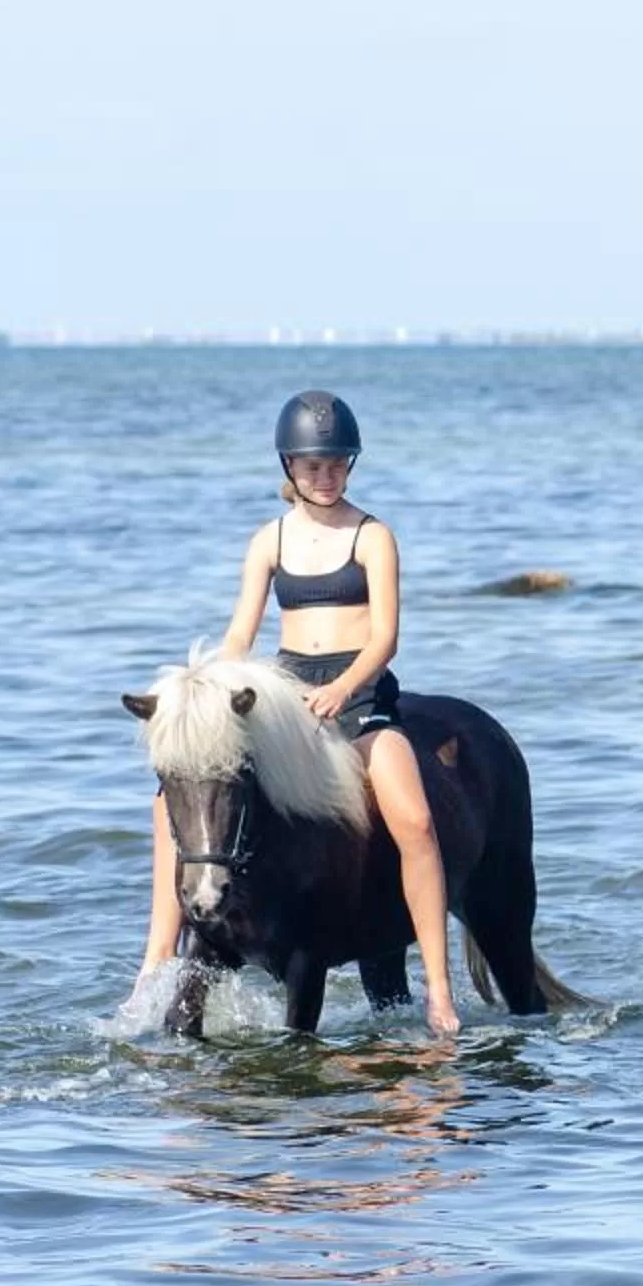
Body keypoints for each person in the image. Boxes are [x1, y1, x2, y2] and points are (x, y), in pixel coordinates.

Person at [136, 391, 458, 1031]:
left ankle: (440, 991)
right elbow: (240, 634)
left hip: (360, 699)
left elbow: (385, 637)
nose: (326, 476)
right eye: (313, 466)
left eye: (337, 464)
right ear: (289, 466)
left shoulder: (372, 536)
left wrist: (344, 687)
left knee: (415, 818)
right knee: (170, 798)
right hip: (286, 700)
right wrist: (212, 691)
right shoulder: (269, 540)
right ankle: (155, 959)